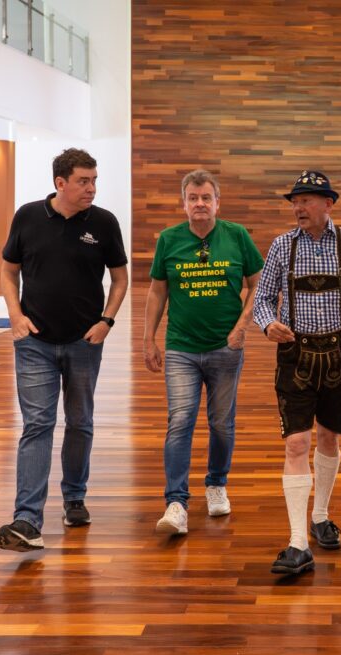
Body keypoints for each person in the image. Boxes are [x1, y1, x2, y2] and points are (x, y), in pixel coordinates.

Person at [0, 148, 129, 552]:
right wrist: (15, 316)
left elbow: (120, 278)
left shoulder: (104, 222)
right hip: (34, 342)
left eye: (94, 180)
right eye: (83, 181)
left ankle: (74, 497)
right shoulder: (28, 216)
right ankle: (26, 519)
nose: (92, 188)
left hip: (84, 343)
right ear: (60, 183)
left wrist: (106, 321)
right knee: (37, 424)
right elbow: (8, 271)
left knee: (80, 421)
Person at [253, 170, 341, 575]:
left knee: (329, 436)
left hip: (340, 354)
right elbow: (261, 300)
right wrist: (268, 324)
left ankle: (320, 515)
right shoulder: (281, 246)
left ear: (328, 204)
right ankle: (297, 542)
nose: (299, 207)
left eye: (306, 200)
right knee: (296, 443)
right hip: (296, 355)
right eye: (295, 201)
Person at [145, 169, 264, 535]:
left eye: (206, 197)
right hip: (181, 348)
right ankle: (176, 502)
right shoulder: (169, 239)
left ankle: (216, 484)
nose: (200, 203)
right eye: (193, 198)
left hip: (225, 347)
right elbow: (157, 291)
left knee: (221, 424)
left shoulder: (237, 236)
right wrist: (148, 339)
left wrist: (241, 328)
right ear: (184, 204)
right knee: (180, 421)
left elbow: (258, 283)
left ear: (217, 202)